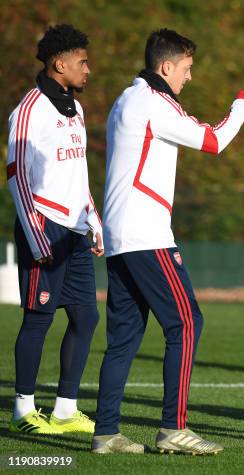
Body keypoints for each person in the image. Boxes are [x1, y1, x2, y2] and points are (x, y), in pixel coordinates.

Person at [93, 28, 244, 455]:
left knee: (125, 337)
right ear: (166, 67)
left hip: (120, 235)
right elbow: (214, 140)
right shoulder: (154, 102)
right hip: (146, 232)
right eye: (186, 69)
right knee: (187, 322)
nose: (190, 77)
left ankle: (106, 432)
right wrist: (242, 106)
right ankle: (173, 428)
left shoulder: (126, 98)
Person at [6, 24, 104, 435]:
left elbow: (77, 173)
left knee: (86, 317)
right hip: (43, 227)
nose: (88, 69)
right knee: (38, 317)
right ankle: (23, 408)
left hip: (74, 229)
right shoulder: (27, 110)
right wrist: (35, 232)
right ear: (59, 63)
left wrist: (93, 220)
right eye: (82, 61)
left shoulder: (76, 109)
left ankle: (65, 409)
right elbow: (17, 176)